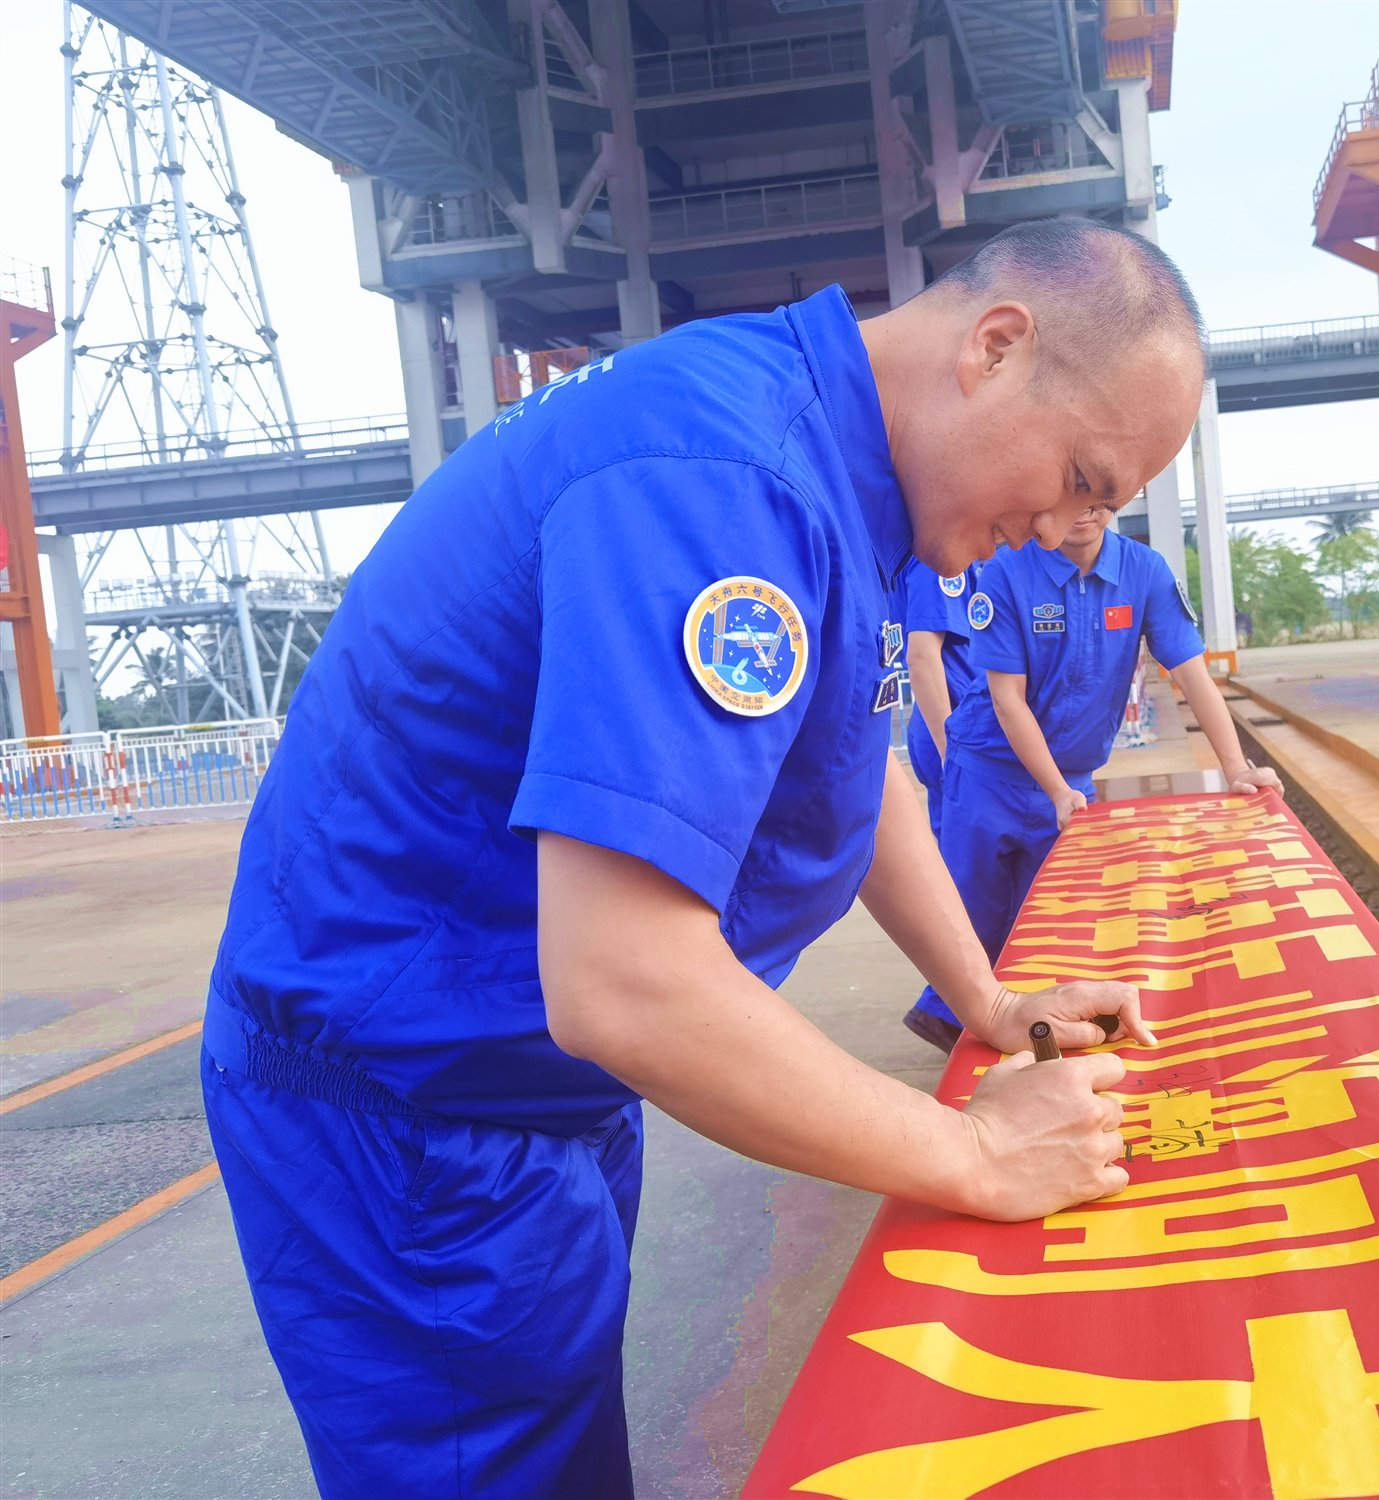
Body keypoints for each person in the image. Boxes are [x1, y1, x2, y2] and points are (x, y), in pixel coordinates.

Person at [199, 217, 1206, 1496]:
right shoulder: (723, 480)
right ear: (995, 347)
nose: (1072, 528)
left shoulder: (848, 475)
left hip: (518, 1087)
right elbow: (625, 980)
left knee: (556, 1446)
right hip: (409, 1109)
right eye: (1082, 476)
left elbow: (861, 763)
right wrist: (971, 1153)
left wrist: (992, 1006)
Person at [905, 502, 1283, 1049]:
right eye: (1069, 495)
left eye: (1100, 496)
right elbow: (1007, 700)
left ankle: (1028, 1028)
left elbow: (1191, 672)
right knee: (974, 910)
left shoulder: (1143, 572)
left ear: (1121, 498)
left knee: (1050, 919)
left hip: (1072, 780)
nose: (1084, 511)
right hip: (988, 771)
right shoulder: (1010, 571)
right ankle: (947, 1018)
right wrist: (1056, 789)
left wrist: (1235, 767)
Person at [894, 555, 985, 840]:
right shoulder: (938, 560)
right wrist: (950, 750)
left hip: (957, 725)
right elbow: (921, 656)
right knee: (966, 857)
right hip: (954, 725)